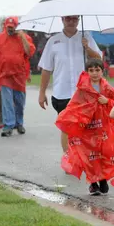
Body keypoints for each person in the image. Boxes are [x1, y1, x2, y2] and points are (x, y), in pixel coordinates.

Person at [38, 15, 102, 155]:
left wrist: (88, 48)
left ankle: (85, 156)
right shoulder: (53, 41)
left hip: (84, 92)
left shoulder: (86, 37)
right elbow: (46, 68)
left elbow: (99, 60)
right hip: (62, 92)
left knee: (86, 126)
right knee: (67, 127)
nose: (71, 22)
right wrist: (42, 93)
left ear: (79, 20)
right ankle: (69, 158)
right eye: (68, 19)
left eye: (74, 19)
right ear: (62, 20)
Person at [56, 59, 114, 195]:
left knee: (103, 154)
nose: (94, 73)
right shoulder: (82, 89)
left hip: (103, 127)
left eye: (97, 70)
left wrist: (107, 101)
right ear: (87, 72)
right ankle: (93, 183)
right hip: (87, 129)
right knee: (89, 156)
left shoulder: (107, 88)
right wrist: (66, 116)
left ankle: (102, 179)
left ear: (102, 71)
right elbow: (74, 105)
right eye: (91, 70)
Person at [0, 17, 35, 137]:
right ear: (5, 26)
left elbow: (29, 52)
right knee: (7, 102)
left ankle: (19, 123)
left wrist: (22, 37)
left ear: (17, 26)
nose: (10, 30)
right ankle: (8, 125)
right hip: (4, 75)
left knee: (19, 102)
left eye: (12, 27)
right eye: (8, 27)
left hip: (19, 75)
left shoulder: (24, 38)